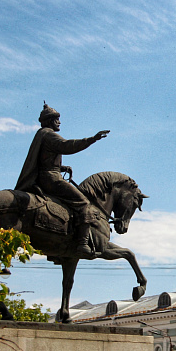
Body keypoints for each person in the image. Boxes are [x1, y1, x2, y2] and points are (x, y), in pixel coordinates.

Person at [16, 103, 109, 256]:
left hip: (46, 175)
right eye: (56, 119)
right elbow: (67, 146)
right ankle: (82, 244)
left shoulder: (41, 134)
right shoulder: (50, 134)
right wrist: (92, 139)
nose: (59, 122)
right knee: (83, 202)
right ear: (50, 121)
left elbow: (44, 160)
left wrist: (62, 168)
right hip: (51, 179)